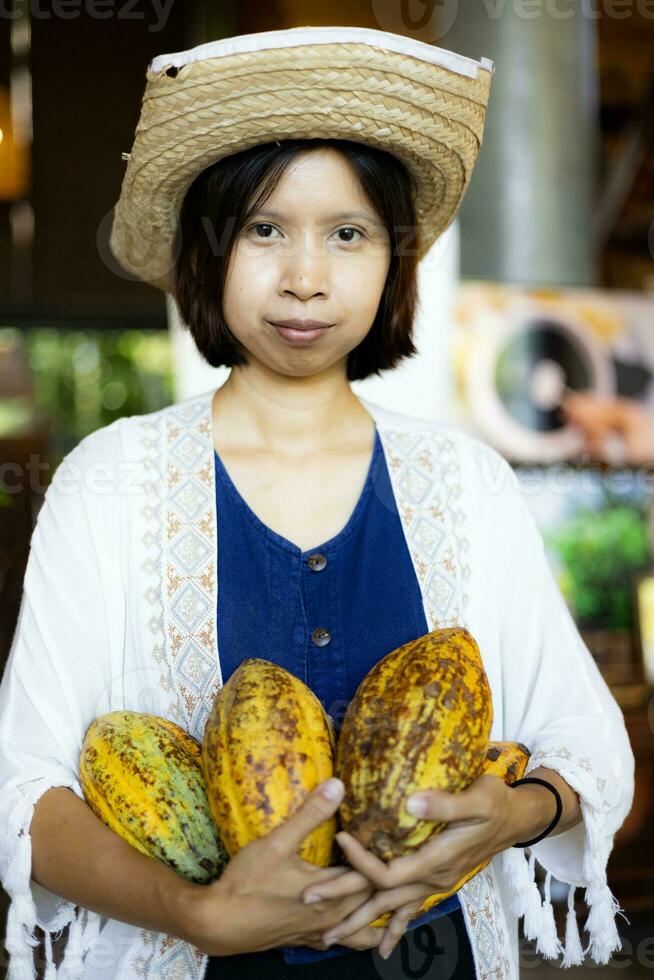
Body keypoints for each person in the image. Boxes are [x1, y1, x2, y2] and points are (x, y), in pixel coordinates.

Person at [0, 25, 634, 980]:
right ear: (204, 254)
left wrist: (515, 813)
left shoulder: (464, 483)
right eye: (263, 230)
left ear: (395, 260)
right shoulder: (112, 482)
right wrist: (198, 915)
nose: (306, 276)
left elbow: (584, 743)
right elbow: (24, 789)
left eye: (348, 233)